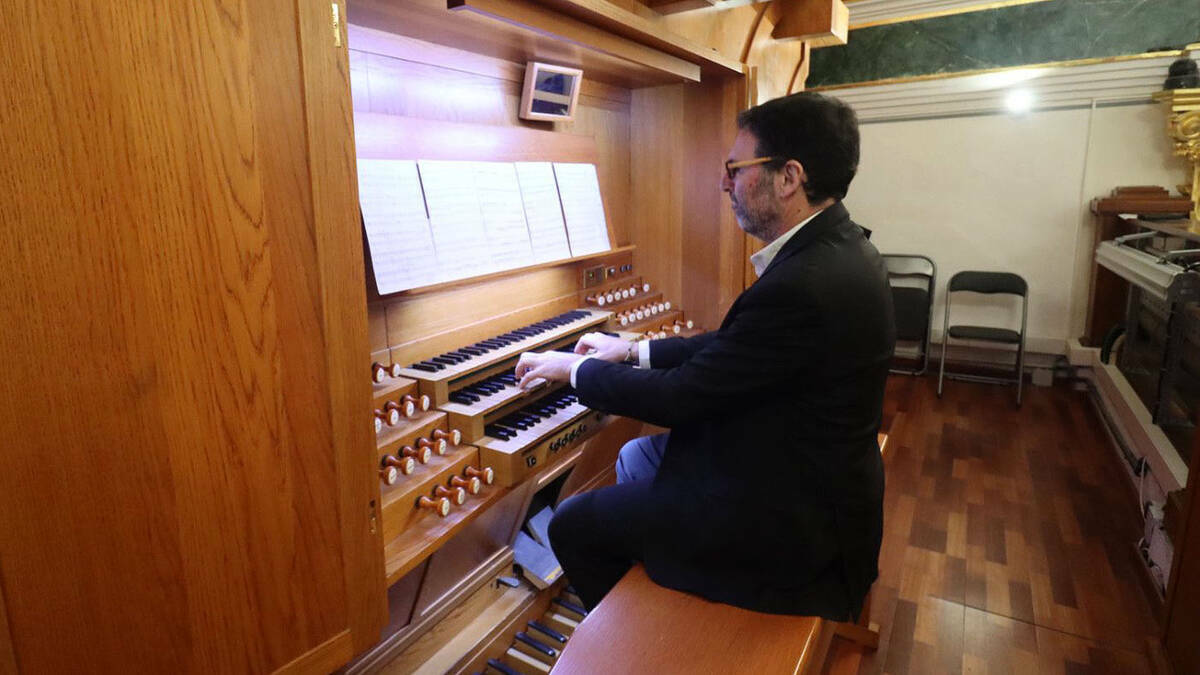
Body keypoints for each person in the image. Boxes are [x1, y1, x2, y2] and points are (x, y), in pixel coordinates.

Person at [514, 92, 895, 620]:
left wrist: (576, 370)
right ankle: (653, 591)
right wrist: (632, 350)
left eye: (735, 168)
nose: (723, 183)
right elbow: (733, 344)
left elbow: (680, 398)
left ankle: (642, 643)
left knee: (574, 524)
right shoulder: (840, 249)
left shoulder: (806, 283)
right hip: (802, 472)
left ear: (789, 178)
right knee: (636, 457)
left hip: (791, 526)